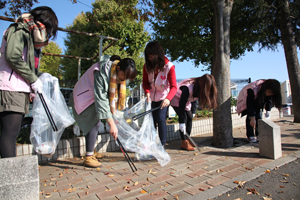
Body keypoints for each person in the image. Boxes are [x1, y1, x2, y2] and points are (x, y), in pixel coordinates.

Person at [0, 6, 58, 158]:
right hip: (10, 86)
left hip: (19, 87)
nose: (47, 36)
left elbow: (27, 65)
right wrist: (33, 79)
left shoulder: (29, 34)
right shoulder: (20, 29)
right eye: (48, 31)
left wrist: (41, 77)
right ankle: (12, 177)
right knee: (10, 132)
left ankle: (11, 175)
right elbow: (12, 56)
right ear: (43, 23)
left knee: (13, 132)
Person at [69, 55, 137, 167]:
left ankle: (91, 151)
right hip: (83, 98)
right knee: (94, 123)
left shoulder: (113, 73)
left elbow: (107, 99)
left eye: (126, 78)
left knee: (93, 123)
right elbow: (101, 99)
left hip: (90, 98)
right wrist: (111, 123)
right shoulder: (101, 71)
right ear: (118, 68)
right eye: (123, 76)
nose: (123, 79)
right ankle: (89, 157)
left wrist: (113, 119)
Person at [142, 41, 177, 148]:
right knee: (151, 121)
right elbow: (145, 82)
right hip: (151, 99)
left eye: (152, 56)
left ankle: (162, 145)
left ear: (158, 54)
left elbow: (174, 87)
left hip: (163, 98)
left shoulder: (169, 67)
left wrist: (168, 99)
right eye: (148, 57)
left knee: (161, 119)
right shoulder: (146, 66)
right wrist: (147, 92)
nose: (150, 59)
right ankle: (152, 145)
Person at [171, 74, 218, 150]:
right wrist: (182, 122)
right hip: (176, 97)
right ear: (201, 83)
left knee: (189, 117)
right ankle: (184, 143)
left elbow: (194, 100)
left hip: (186, 99)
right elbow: (182, 106)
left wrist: (193, 112)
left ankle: (188, 139)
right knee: (185, 118)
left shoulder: (199, 87)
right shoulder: (188, 88)